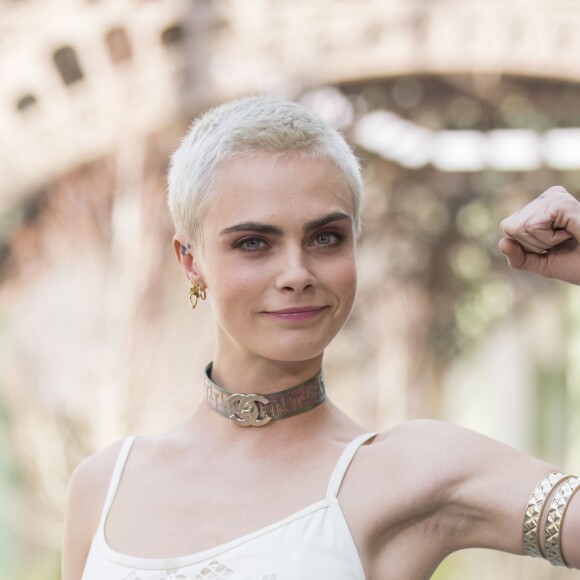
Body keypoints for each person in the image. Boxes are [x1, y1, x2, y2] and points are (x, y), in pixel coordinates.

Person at [62, 96, 580, 580]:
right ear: (190, 261)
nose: (297, 272)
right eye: (253, 242)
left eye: (325, 237)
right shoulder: (104, 487)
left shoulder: (411, 471)